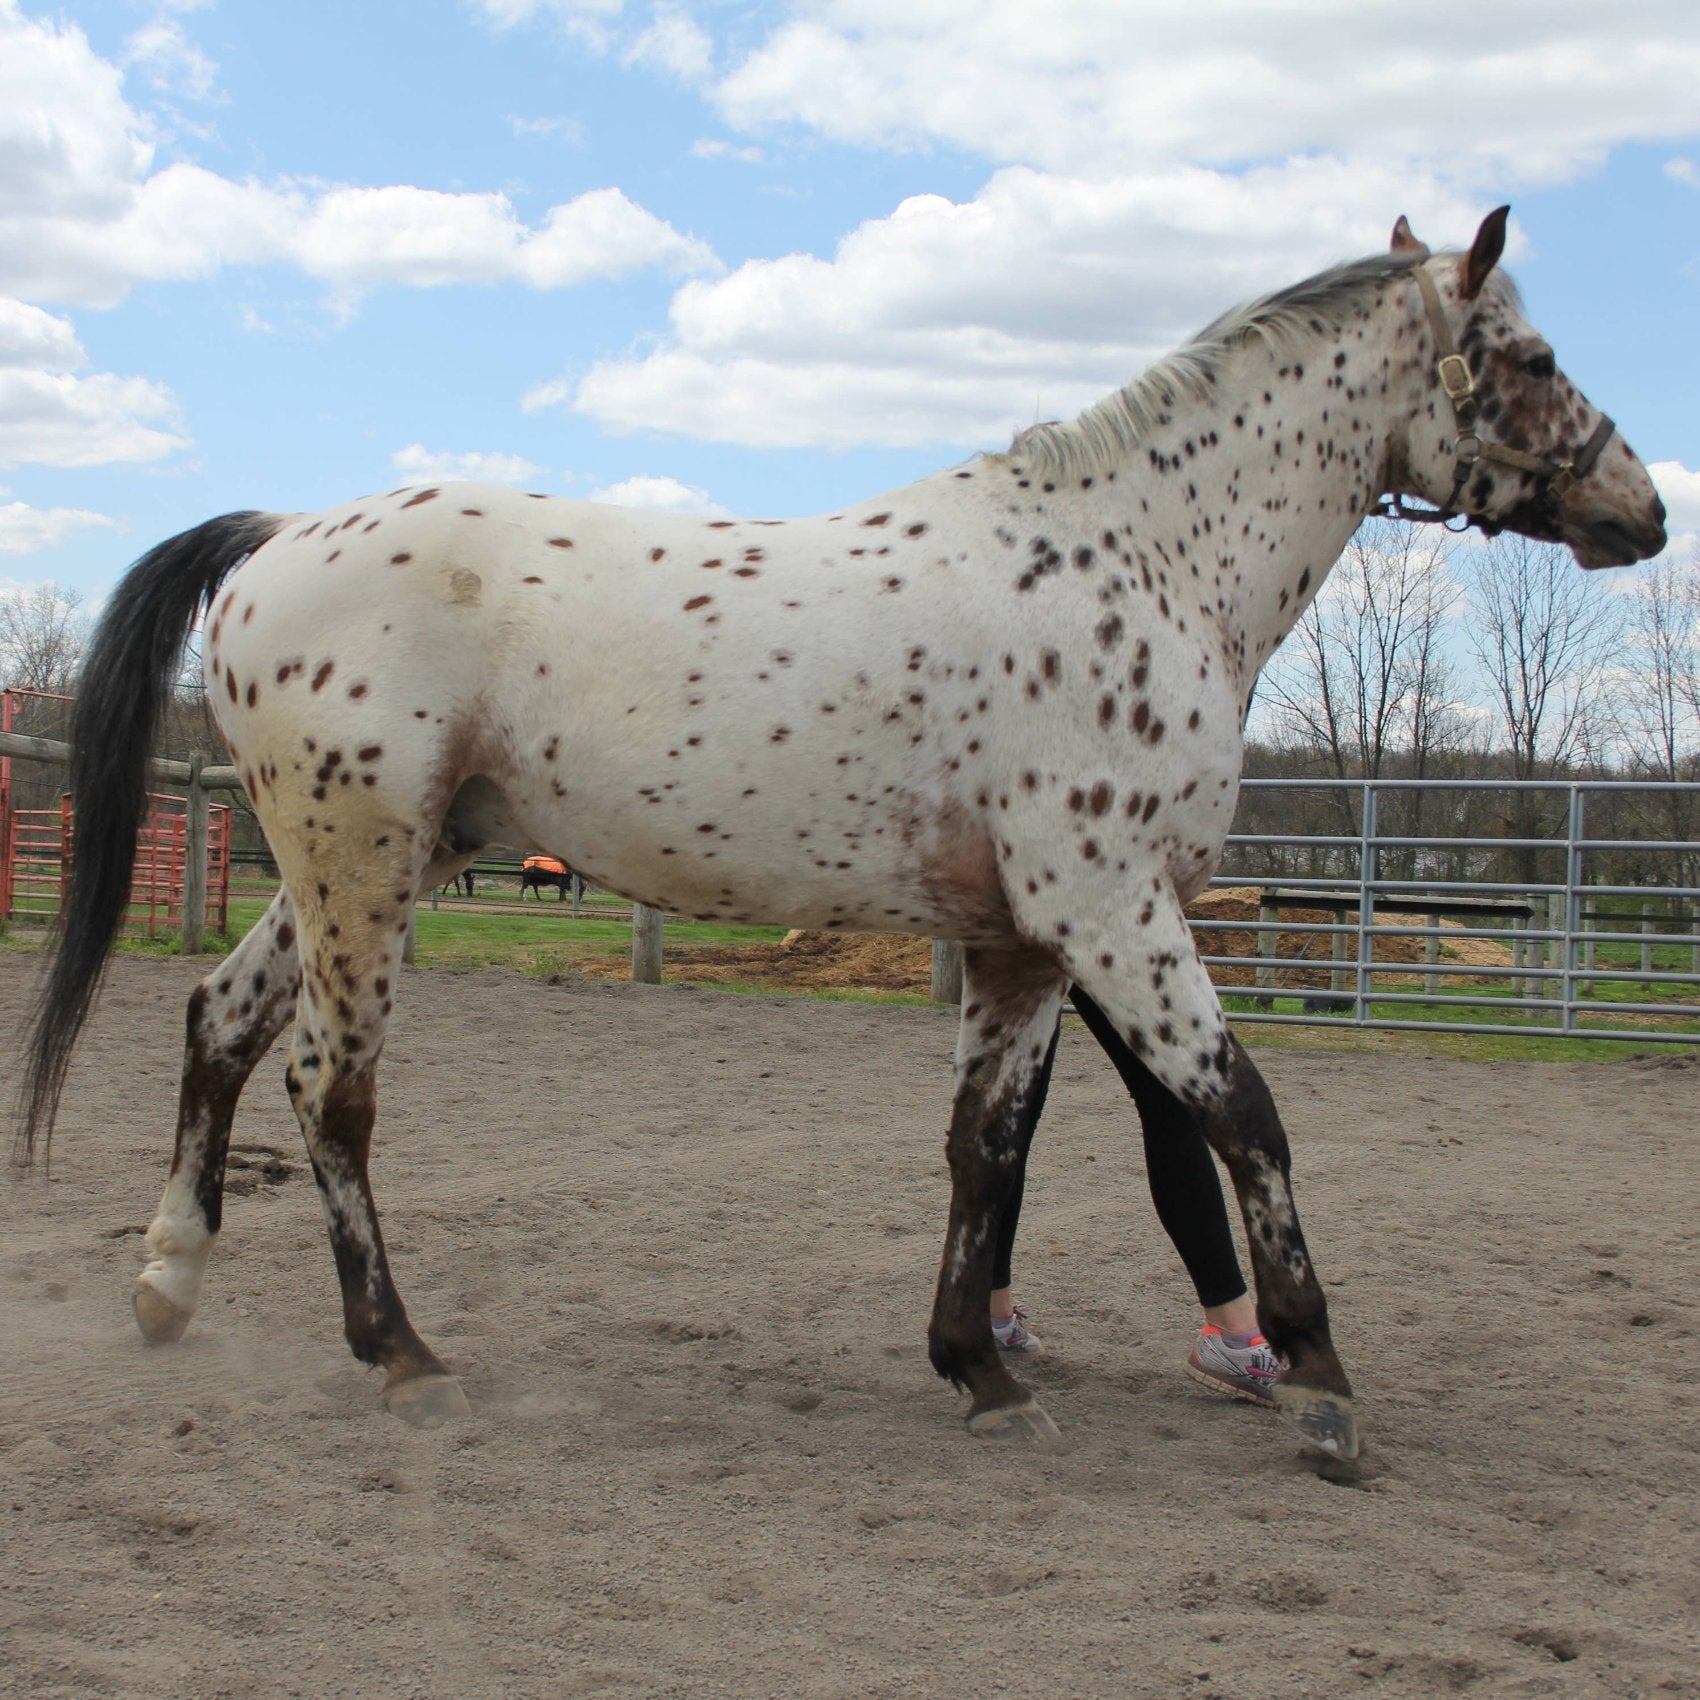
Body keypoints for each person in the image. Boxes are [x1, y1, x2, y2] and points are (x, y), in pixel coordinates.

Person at [987, 998, 1282, 1409]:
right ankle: (1233, 1332)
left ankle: (992, 1315)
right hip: (1086, 932)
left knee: (1015, 1104)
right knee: (1161, 1092)